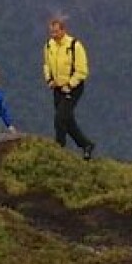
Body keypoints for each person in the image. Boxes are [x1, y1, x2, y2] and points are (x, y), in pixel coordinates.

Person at [43, 15, 96, 160]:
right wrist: (49, 80)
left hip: (73, 88)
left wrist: (70, 84)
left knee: (59, 119)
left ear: (63, 30)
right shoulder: (49, 45)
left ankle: (58, 149)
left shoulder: (74, 46)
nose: (53, 35)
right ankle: (86, 145)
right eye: (51, 32)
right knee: (67, 120)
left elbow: (82, 70)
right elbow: (46, 64)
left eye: (56, 32)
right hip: (57, 88)